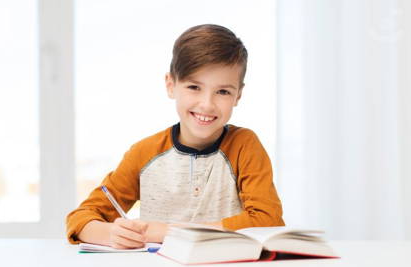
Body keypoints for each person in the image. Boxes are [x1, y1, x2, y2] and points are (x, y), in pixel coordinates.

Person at [66, 24, 284, 249]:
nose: (207, 104)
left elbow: (268, 220)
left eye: (223, 92)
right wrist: (111, 233)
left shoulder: (244, 145)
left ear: (238, 95)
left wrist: (165, 231)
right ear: (171, 85)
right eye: (194, 87)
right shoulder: (144, 153)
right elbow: (80, 218)